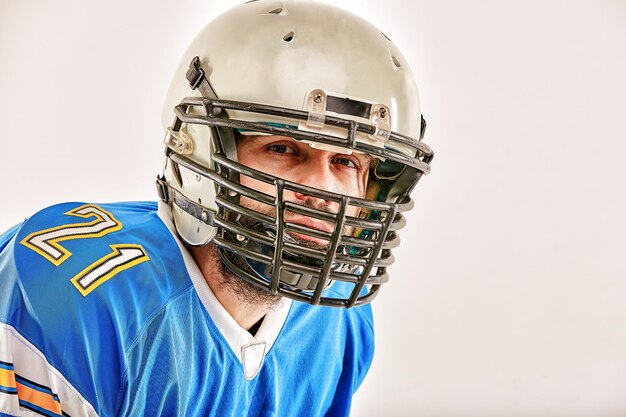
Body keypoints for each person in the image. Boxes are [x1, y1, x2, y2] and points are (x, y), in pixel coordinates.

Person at [0, 1, 433, 416]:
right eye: (283, 148)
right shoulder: (80, 302)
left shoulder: (338, 321)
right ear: (201, 152)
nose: (323, 190)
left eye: (345, 162)